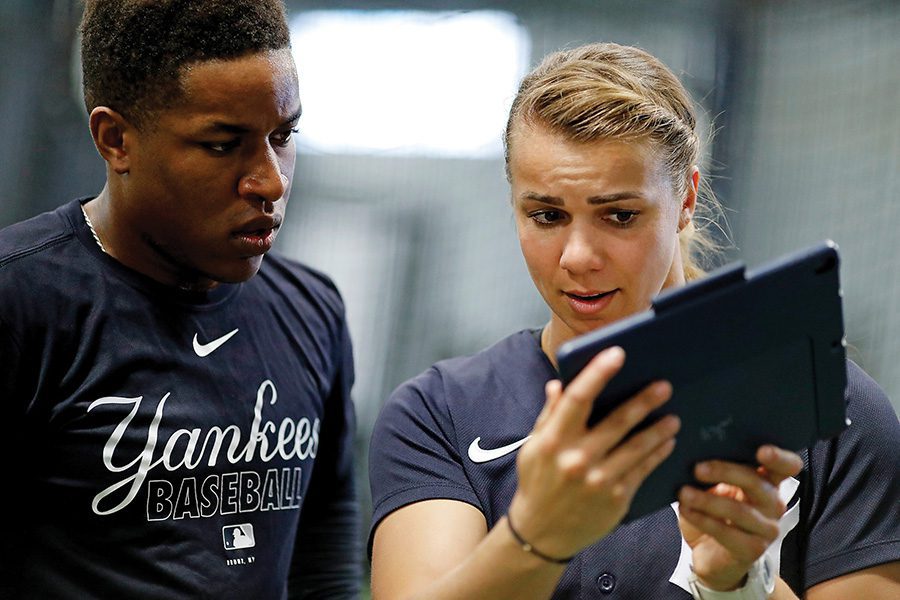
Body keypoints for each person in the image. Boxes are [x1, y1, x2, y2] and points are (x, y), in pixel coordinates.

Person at [368, 42, 900, 599]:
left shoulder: (830, 409)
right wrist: (540, 535)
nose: (577, 256)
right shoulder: (443, 412)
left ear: (687, 199)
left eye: (619, 215)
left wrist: (738, 583)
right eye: (547, 215)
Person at [0, 1, 360, 598]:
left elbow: (324, 553)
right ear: (116, 140)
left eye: (283, 135)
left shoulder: (312, 310)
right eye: (223, 145)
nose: (270, 181)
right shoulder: (22, 302)